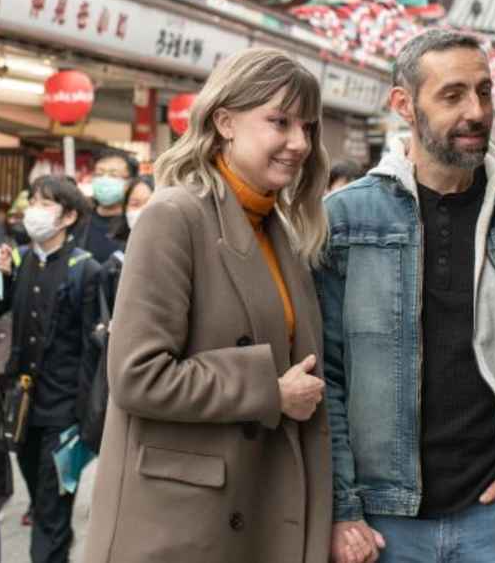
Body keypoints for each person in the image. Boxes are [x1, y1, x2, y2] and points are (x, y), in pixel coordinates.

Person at [320, 30, 495, 563]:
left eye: (485, 92)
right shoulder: (347, 221)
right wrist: (344, 506)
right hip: (385, 522)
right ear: (404, 104)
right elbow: (327, 376)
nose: (476, 111)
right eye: (452, 95)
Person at [83, 47, 332, 563]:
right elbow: (136, 375)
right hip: (183, 523)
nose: (298, 143)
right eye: (279, 122)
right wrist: (270, 391)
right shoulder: (174, 216)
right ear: (225, 121)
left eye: (307, 127)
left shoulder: (277, 226)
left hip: (257, 499)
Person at [0, 176, 104, 563]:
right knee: (38, 493)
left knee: (52, 504)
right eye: (33, 201)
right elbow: (2, 313)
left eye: (46, 204)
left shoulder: (85, 269)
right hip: (23, 405)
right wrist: (5, 278)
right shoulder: (21, 260)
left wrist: (86, 412)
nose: (34, 211)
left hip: (64, 410)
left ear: (69, 215)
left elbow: (95, 347)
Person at [82, 148, 136, 261]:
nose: (104, 180)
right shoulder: (81, 219)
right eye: (99, 174)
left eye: (114, 175)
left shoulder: (133, 222)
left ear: (130, 182)